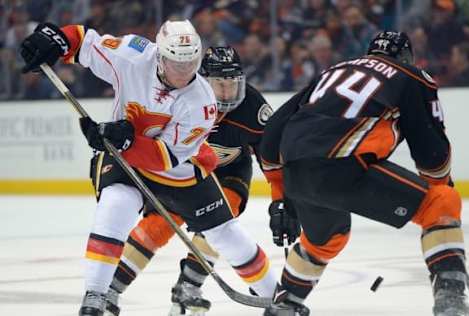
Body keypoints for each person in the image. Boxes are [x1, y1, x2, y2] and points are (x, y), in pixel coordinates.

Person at [20, 20, 278, 316]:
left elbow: (164, 158)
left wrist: (122, 137)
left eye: (191, 63)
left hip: (178, 169)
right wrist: (55, 40)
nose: (185, 73)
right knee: (116, 206)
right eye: (177, 63)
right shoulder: (132, 54)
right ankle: (97, 295)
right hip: (125, 157)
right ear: (159, 55)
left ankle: (278, 298)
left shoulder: (202, 100)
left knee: (225, 232)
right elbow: (84, 42)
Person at [260, 31, 469, 316]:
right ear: (406, 58)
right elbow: (431, 149)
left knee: (326, 239)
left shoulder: (334, 71)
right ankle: (451, 300)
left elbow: (274, 128)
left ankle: (284, 306)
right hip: (342, 166)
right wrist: (441, 192)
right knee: (442, 202)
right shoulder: (411, 76)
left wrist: (280, 195)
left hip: (295, 169)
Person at [103, 46, 301, 316]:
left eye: (233, 83)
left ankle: (189, 286)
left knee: (223, 216)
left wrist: (281, 202)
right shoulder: (180, 98)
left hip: (229, 171)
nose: (227, 93)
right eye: (219, 84)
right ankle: (109, 290)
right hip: (182, 171)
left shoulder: (252, 107)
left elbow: (271, 157)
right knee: (158, 226)